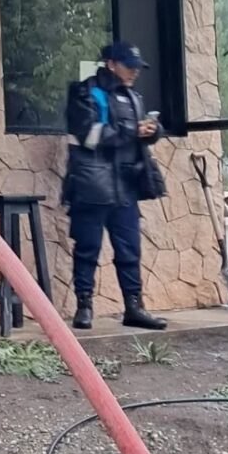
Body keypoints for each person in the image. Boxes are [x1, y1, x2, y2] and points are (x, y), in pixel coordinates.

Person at [63, 40, 167, 331]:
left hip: (126, 186)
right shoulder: (84, 91)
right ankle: (84, 307)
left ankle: (134, 308)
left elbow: (137, 135)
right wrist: (132, 130)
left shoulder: (133, 96)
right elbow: (89, 134)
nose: (135, 71)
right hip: (91, 185)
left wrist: (152, 131)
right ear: (110, 63)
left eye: (138, 67)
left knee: (130, 250)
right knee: (87, 249)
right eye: (129, 65)